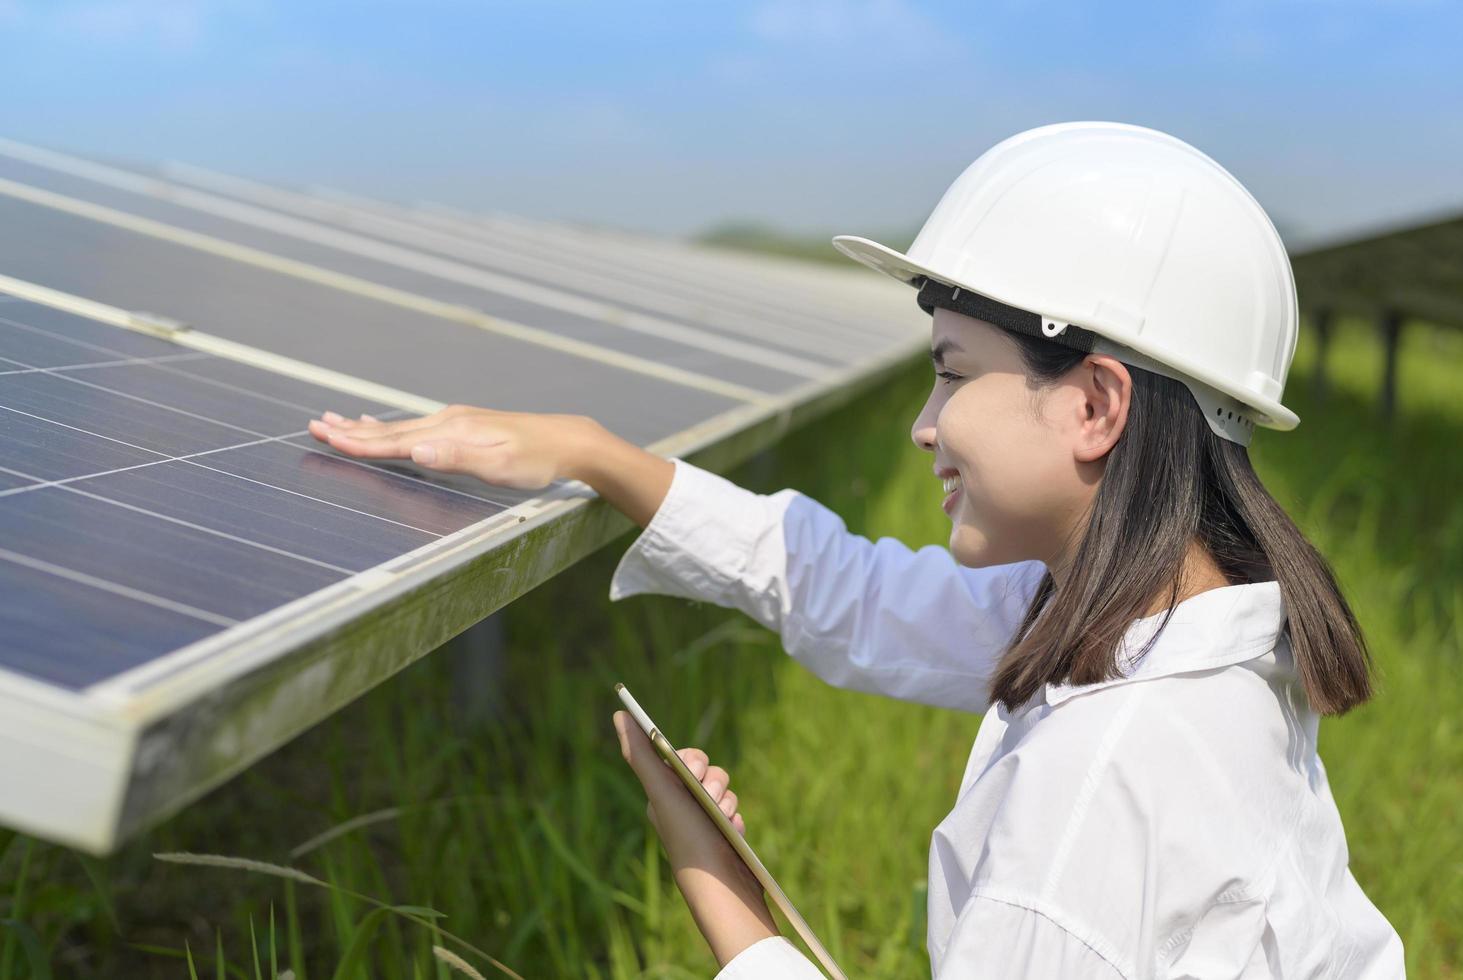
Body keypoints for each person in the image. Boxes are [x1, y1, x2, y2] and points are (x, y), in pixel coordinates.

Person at [307, 122, 1406, 978]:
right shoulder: (1172, 634)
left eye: (953, 370)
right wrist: (598, 455)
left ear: (1095, 403)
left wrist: (715, 883)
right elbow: (860, 594)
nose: (924, 424)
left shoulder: (1104, 781)